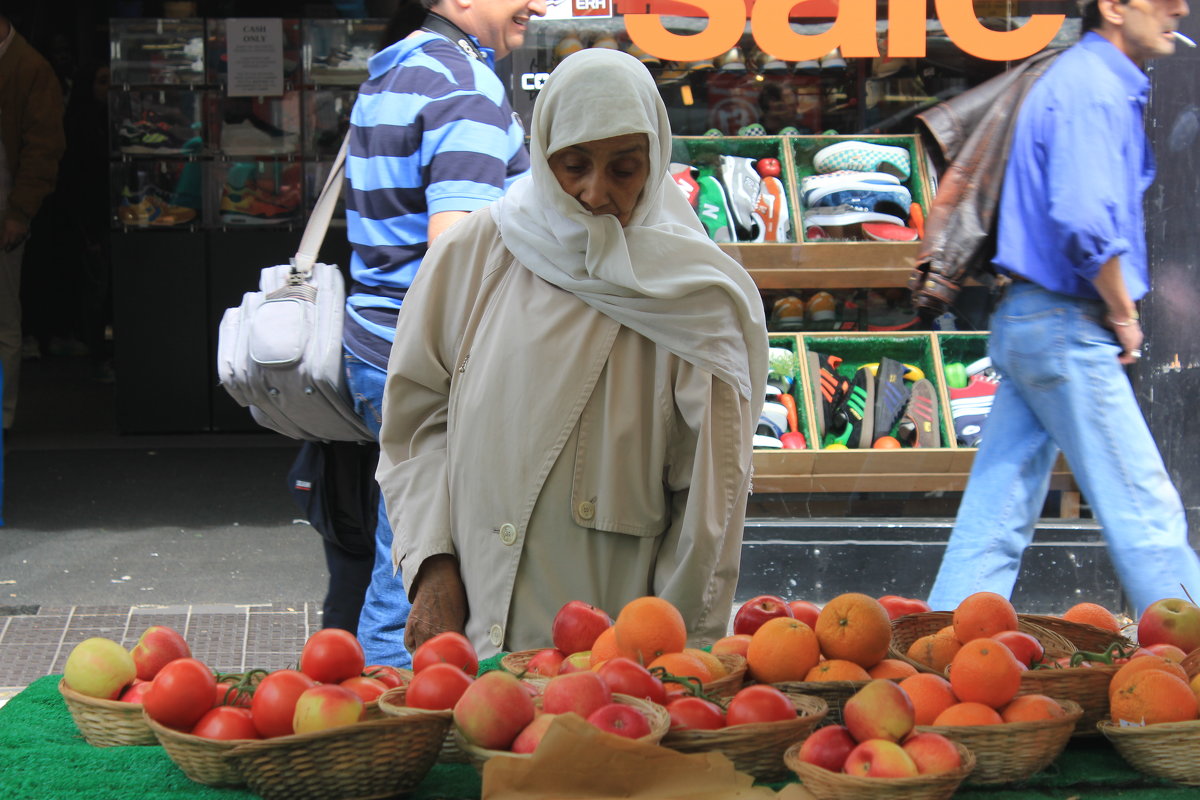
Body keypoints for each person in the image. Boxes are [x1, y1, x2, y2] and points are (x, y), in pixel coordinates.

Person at [376, 48, 769, 659]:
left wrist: (675, 659)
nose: (595, 192)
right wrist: (432, 565)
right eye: (574, 165)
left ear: (656, 162)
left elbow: (707, 512)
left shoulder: (697, 298)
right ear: (542, 153)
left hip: (612, 665)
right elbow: (418, 420)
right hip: (474, 638)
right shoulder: (477, 253)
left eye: (624, 169)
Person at [926, 0, 1200, 616]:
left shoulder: (1079, 77)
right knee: (1145, 507)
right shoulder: (1095, 86)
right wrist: (1124, 312)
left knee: (997, 512)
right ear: (1113, 7)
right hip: (1064, 323)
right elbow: (1083, 220)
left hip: (1031, 319)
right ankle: (1191, 651)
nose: (1178, 8)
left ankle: (940, 649)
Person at [343, 0, 544, 666]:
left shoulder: (396, 68)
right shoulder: (464, 86)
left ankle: (377, 704)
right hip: (434, 361)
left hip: (378, 344)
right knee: (414, 565)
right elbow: (455, 256)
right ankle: (388, 713)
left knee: (401, 541)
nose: (537, 4)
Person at [0, 10, 65, 432]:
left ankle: (0, 420)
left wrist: (19, 212)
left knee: (4, 326)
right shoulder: (27, 64)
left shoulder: (29, 67)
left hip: (3, 213)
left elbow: (44, 147)